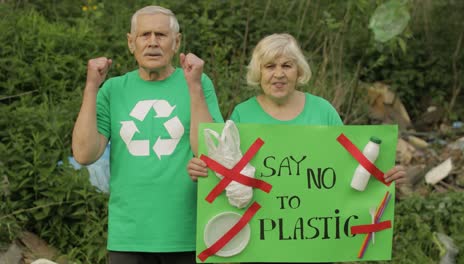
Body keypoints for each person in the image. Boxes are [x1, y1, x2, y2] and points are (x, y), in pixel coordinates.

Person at [187, 33, 406, 264]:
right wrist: (203, 170)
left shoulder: (323, 111)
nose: (278, 74)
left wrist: (385, 175)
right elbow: (230, 169)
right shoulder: (243, 114)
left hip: (315, 244)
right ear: (258, 72)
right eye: (270, 66)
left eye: (287, 66)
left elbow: (351, 170)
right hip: (261, 246)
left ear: (299, 71)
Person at [72, 5, 223, 264]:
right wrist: (91, 87)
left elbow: (211, 152)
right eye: (145, 35)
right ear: (131, 43)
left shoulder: (198, 82)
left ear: (177, 43)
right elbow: (85, 153)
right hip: (128, 236)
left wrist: (195, 87)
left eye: (161, 35)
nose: (153, 43)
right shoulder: (113, 89)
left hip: (187, 233)